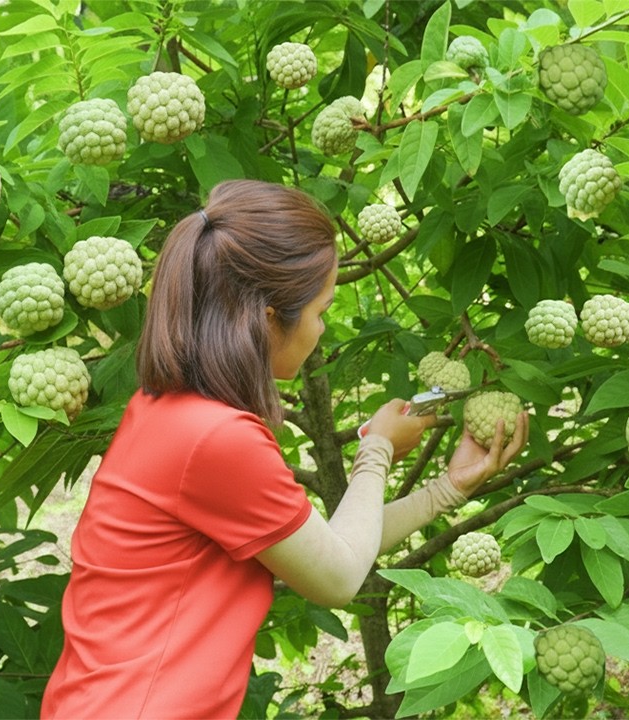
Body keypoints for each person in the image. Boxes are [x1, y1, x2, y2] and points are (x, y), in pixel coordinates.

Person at [41, 179, 529, 719]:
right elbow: (340, 578)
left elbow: (325, 548)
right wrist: (378, 449)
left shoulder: (170, 411)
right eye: (320, 310)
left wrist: (448, 488)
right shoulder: (215, 439)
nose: (320, 329)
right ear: (269, 317)